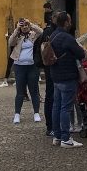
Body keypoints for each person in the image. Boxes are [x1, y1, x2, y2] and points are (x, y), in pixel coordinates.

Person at [49, 10, 87, 148]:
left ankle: (57, 136)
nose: (71, 23)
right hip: (67, 77)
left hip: (56, 76)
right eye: (69, 21)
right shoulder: (67, 37)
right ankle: (66, 138)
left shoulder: (53, 35)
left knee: (56, 107)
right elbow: (80, 53)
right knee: (66, 108)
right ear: (65, 23)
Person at [8, 17, 42, 124]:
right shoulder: (17, 36)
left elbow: (41, 32)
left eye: (26, 25)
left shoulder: (33, 35)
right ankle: (17, 114)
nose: (25, 27)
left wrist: (30, 24)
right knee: (20, 92)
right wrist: (17, 29)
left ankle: (36, 113)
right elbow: (10, 43)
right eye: (23, 25)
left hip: (32, 66)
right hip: (19, 66)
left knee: (34, 90)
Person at [35, 9, 57, 137]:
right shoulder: (50, 32)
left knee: (52, 96)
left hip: (51, 69)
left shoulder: (52, 31)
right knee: (51, 96)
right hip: (51, 69)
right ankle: (50, 126)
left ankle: (53, 125)